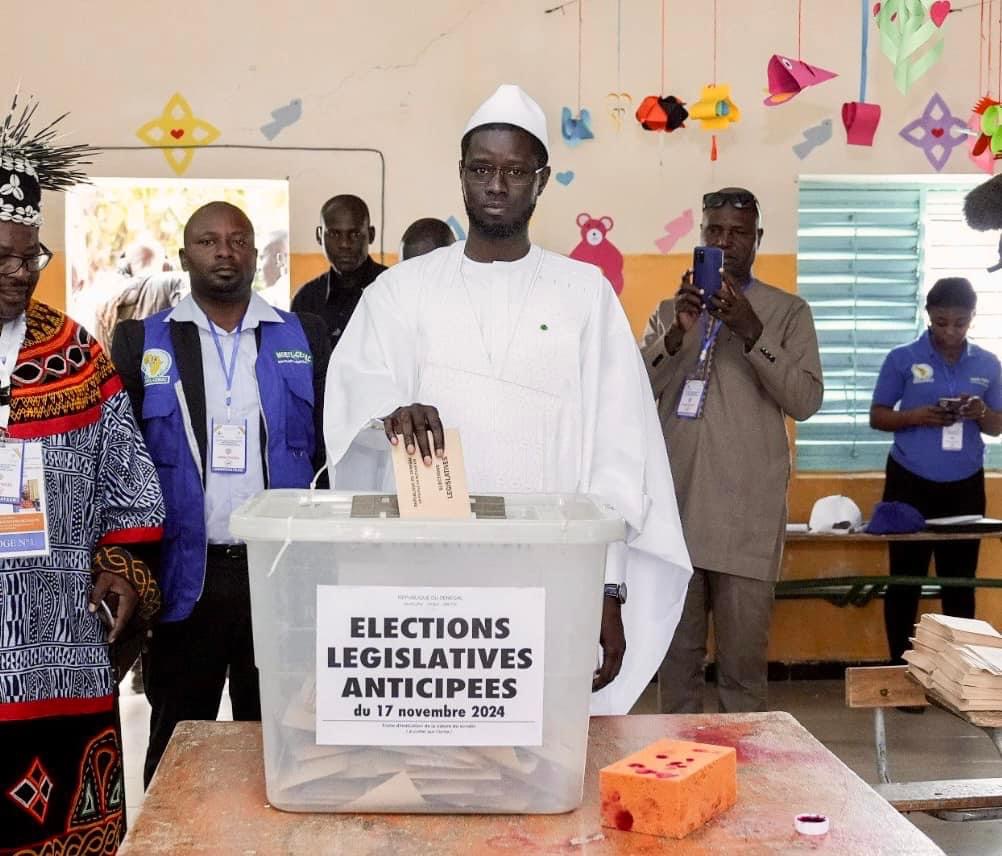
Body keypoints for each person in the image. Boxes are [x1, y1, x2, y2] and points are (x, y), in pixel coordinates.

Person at [323, 84, 692, 715]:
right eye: (483, 168)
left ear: (542, 180)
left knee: (540, 753)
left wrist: (610, 588)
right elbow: (355, 391)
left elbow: (617, 450)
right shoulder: (401, 292)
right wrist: (389, 413)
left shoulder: (585, 294)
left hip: (553, 577)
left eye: (515, 170)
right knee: (437, 750)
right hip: (428, 584)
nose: (497, 184)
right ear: (461, 177)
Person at [111, 201, 331, 786]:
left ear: (256, 254)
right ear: (186, 257)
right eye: (208, 242)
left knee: (285, 742)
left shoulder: (301, 335)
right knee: (178, 743)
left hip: (278, 575)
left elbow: (328, 457)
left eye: (238, 240)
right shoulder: (142, 342)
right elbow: (120, 462)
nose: (225, 252)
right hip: (188, 576)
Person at [0, 95, 165, 855]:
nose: (17, 272)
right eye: (0, 253)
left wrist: (123, 568)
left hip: (58, 646)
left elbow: (129, 485)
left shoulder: (74, 353)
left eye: (28, 255)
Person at [642, 187, 823, 713]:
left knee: (742, 677)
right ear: (702, 237)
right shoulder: (668, 312)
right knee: (676, 673)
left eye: (738, 233)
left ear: (758, 240)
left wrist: (751, 330)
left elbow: (805, 400)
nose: (726, 242)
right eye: (714, 232)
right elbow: (634, 390)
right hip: (676, 517)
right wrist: (676, 335)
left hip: (746, 517)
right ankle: (676, 782)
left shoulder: (788, 313)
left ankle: (746, 787)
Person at [870, 277, 1002, 665]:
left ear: (972, 319)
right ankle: (901, 671)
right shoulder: (902, 358)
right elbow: (878, 416)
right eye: (942, 321)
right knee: (905, 582)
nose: (950, 331)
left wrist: (981, 412)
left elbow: (997, 425)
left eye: (960, 322)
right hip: (908, 482)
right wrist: (916, 416)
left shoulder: (988, 364)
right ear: (928, 315)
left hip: (964, 486)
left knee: (959, 584)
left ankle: (957, 675)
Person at [291, 195, 386, 350]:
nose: (344, 244)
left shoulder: (391, 289)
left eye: (354, 234)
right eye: (334, 234)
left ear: (371, 235)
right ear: (319, 235)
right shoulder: (306, 299)